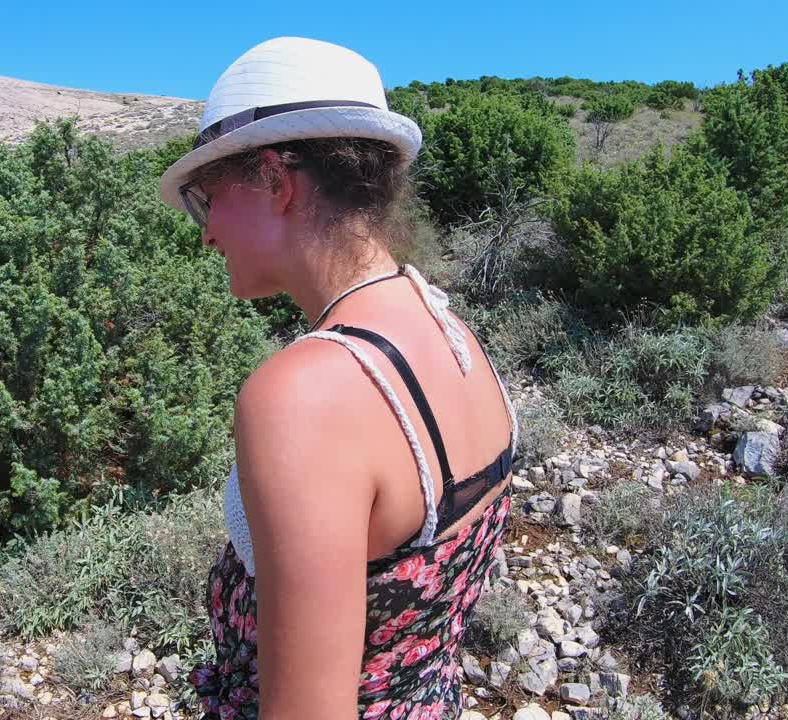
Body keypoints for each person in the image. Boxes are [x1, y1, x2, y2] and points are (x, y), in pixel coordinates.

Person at [157, 37, 519, 720]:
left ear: (274, 180)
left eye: (207, 202)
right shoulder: (448, 329)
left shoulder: (303, 396)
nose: (205, 234)